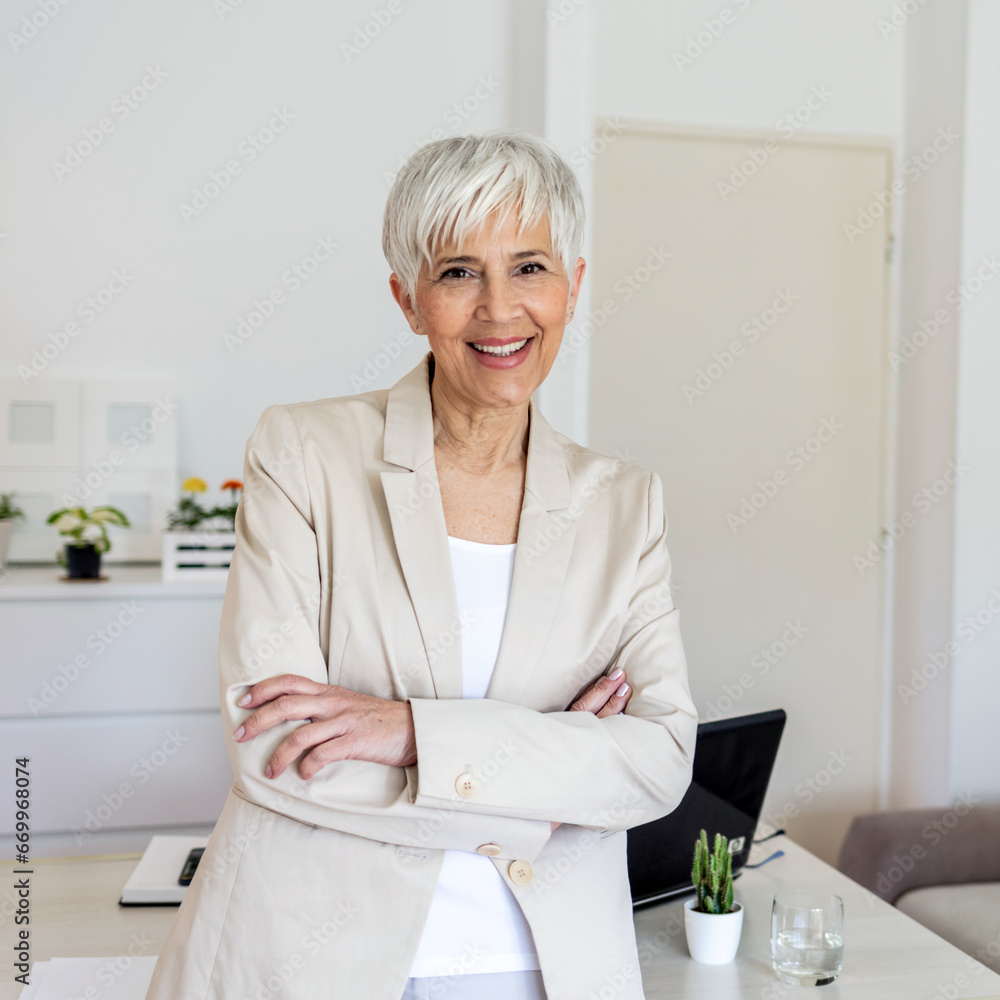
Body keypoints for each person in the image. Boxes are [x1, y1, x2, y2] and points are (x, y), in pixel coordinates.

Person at [144, 129, 697, 1000]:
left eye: (529, 267)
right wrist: (550, 773)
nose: (500, 310)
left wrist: (407, 730)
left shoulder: (623, 503)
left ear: (574, 286)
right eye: (456, 272)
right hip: (311, 961)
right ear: (408, 299)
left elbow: (658, 758)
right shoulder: (304, 454)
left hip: (546, 969)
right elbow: (280, 747)